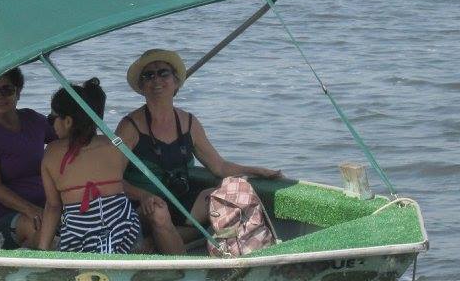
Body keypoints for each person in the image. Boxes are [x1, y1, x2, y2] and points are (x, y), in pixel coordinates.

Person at [116, 49, 282, 254]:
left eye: (163, 73)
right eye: (149, 75)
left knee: (223, 196)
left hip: (180, 201)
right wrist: (144, 196)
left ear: (176, 82)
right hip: (143, 207)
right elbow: (111, 179)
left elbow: (219, 167)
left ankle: (160, 243)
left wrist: (256, 171)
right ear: (142, 86)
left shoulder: (189, 122)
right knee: (159, 212)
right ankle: (182, 266)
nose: (156, 80)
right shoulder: (130, 126)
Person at [37, 78, 142, 254]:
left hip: (79, 237)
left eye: (52, 118)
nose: (51, 124)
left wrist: (42, 249)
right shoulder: (114, 145)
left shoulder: (52, 153)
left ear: (68, 121)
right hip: (125, 232)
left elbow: (53, 207)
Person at [0, 68, 54, 248]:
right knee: (42, 227)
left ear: (19, 91)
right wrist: (31, 210)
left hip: (46, 205)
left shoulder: (33, 120)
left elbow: (64, 139)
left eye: (7, 90)